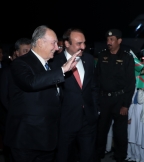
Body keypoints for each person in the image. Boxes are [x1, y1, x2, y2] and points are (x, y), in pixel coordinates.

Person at [4, 25, 80, 162]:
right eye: (54, 43)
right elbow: (31, 82)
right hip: (27, 140)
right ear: (40, 42)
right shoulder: (21, 63)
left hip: (47, 139)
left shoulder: (49, 66)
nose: (57, 48)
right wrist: (62, 70)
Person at [50, 28, 99, 162]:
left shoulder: (88, 59)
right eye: (78, 43)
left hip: (88, 119)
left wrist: (95, 109)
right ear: (67, 44)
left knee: (88, 156)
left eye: (84, 43)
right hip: (65, 120)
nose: (83, 47)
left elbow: (93, 86)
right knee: (63, 156)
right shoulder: (55, 62)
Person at [95, 29, 136, 162]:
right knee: (101, 130)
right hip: (104, 99)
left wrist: (125, 104)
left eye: (112, 39)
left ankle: (120, 156)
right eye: (107, 39)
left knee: (120, 132)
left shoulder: (126, 57)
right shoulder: (102, 56)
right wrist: (97, 100)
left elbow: (130, 83)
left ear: (119, 41)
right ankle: (98, 154)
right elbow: (97, 79)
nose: (109, 42)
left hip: (120, 100)